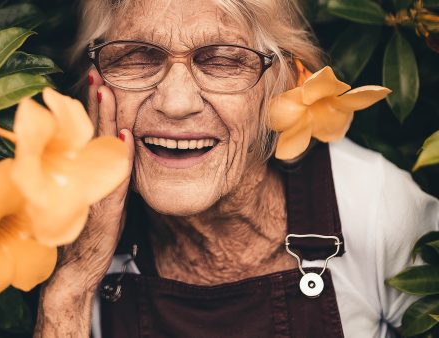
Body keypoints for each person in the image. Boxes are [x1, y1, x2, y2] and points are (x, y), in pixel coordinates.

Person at [34, 0, 439, 337]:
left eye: (222, 61)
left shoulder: (375, 208)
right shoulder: (61, 225)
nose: (175, 103)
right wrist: (73, 285)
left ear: (279, 84)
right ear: (95, 81)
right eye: (138, 57)